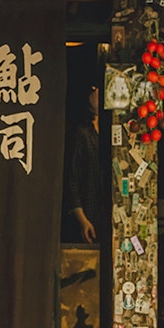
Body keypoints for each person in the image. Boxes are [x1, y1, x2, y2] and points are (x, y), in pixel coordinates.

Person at [62, 84, 105, 244]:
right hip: (88, 213)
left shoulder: (108, 131)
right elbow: (71, 179)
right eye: (95, 91)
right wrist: (82, 220)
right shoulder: (82, 132)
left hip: (104, 214)